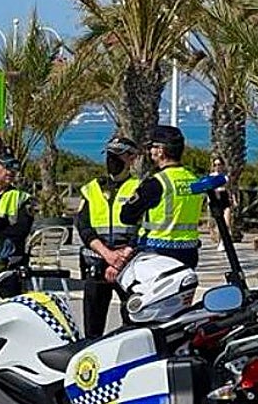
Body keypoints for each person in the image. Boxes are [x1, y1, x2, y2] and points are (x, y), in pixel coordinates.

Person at [75, 135, 140, 337]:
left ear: (132, 158)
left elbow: (143, 227)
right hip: (96, 262)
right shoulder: (92, 188)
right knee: (93, 326)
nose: (112, 160)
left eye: (118, 155)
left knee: (134, 319)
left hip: (128, 263)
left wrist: (120, 259)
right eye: (109, 155)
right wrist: (106, 254)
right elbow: (83, 226)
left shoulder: (140, 187)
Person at [118, 124, 201, 274]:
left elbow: (127, 215)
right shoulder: (194, 180)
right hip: (189, 252)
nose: (150, 152)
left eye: (152, 147)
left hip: (157, 252)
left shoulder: (156, 183)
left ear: (161, 151)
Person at [210, 155, 235, 251]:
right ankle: (220, 241)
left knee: (227, 222)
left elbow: (230, 189)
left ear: (222, 165)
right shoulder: (211, 176)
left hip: (225, 199)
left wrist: (233, 199)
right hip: (216, 199)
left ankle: (223, 242)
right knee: (219, 223)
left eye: (219, 164)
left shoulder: (225, 177)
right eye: (215, 165)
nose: (217, 167)